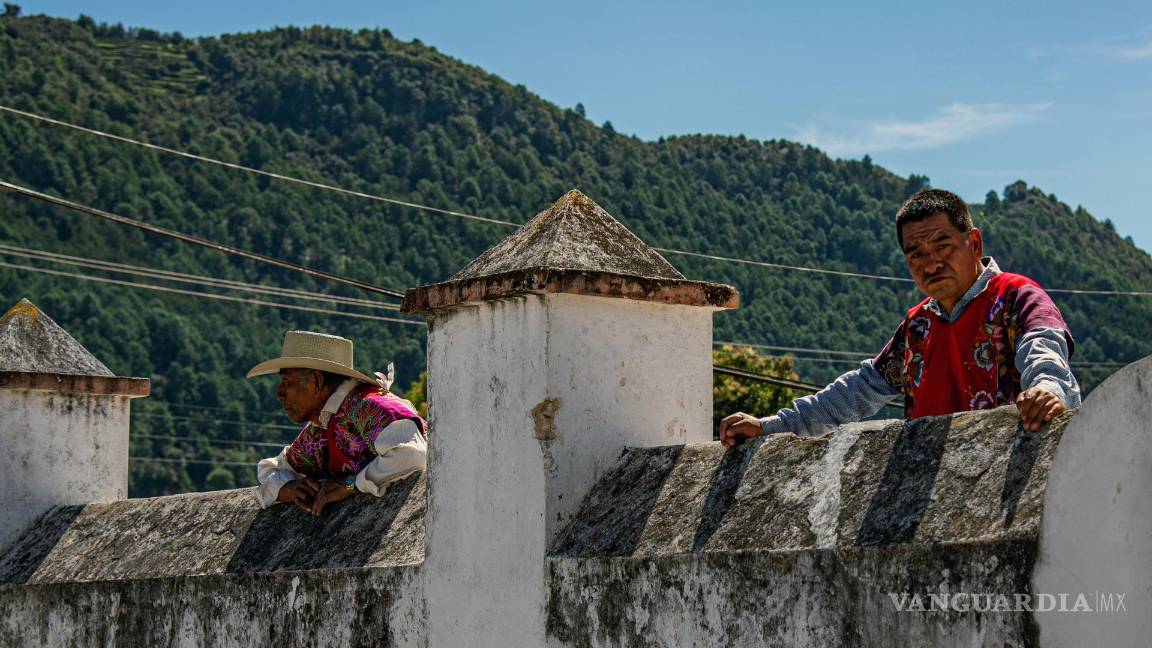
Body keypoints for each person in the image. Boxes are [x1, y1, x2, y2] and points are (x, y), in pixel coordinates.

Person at [720, 188, 1080, 446]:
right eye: (916, 254)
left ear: (974, 243)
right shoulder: (918, 326)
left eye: (942, 246)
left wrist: (1046, 389)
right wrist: (773, 428)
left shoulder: (1015, 296)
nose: (931, 263)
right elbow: (857, 391)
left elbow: (1043, 349)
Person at [248, 330, 427, 514]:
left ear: (316, 381)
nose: (280, 394)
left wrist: (351, 485)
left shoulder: (372, 407)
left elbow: (412, 455)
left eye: (286, 381)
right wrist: (286, 487)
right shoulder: (319, 429)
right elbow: (271, 469)